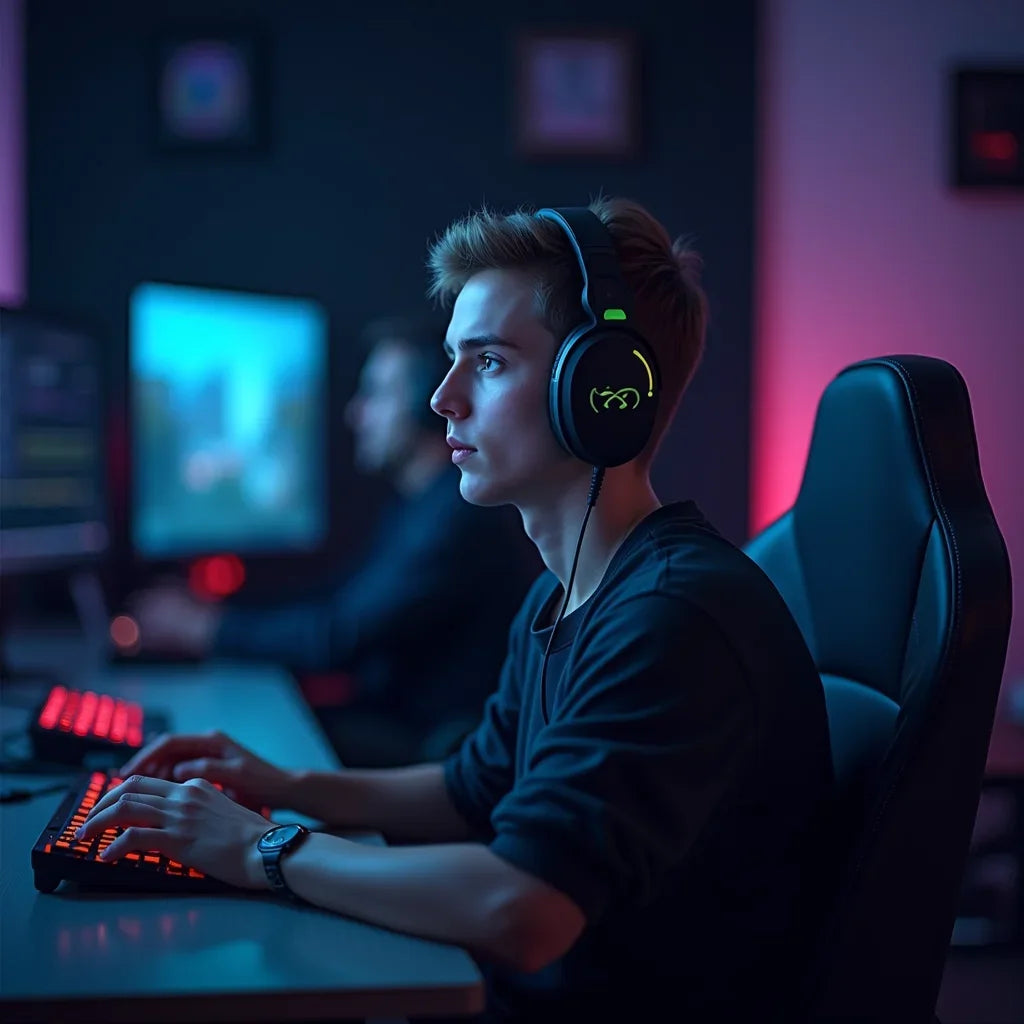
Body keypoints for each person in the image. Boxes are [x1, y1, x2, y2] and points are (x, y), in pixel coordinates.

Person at [78, 198, 835, 1021]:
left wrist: (257, 845)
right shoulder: (564, 591)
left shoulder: (673, 618)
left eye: (490, 362)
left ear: (603, 389)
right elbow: (472, 789)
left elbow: (523, 910)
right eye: (450, 360)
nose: (442, 399)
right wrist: (279, 783)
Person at [128, 314, 538, 767]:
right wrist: (218, 613)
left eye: (376, 394)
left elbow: (339, 636)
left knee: (241, 740)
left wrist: (202, 628)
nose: (355, 413)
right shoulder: (421, 505)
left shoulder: (459, 518)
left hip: (429, 752)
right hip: (396, 723)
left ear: (429, 402)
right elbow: (338, 596)